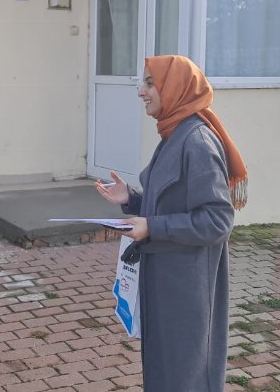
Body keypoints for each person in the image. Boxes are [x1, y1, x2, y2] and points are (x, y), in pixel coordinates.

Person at [96, 55, 247, 392]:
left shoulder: (197, 143)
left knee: (186, 374)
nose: (141, 91)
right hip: (165, 278)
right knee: (166, 369)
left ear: (175, 88)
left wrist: (153, 227)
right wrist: (131, 199)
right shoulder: (173, 134)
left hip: (187, 286)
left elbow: (218, 219)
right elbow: (170, 200)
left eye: (151, 83)